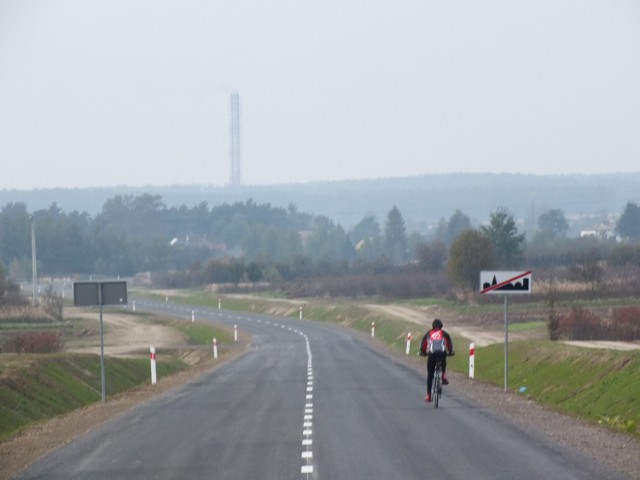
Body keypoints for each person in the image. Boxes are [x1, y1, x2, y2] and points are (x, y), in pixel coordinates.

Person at [419, 319, 454, 402]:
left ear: (433, 326)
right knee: (443, 359)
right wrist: (450, 352)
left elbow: (423, 345)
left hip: (432, 355)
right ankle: (443, 375)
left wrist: (423, 352)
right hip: (442, 353)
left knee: (430, 375)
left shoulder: (428, 333)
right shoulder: (444, 334)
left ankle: (429, 396)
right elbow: (449, 344)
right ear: (441, 326)